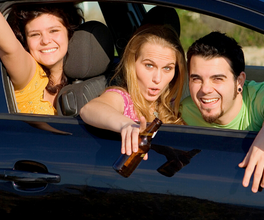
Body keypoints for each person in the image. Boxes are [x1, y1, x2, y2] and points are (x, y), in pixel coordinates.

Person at [181, 31, 264, 193]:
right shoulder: (183, 111)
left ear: (239, 81)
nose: (205, 89)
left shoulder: (262, 93)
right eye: (196, 79)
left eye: (217, 79)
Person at [80, 24, 186, 157]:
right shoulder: (123, 98)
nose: (158, 79)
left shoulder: (168, 104)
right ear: (132, 63)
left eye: (167, 68)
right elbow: (90, 109)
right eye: (149, 65)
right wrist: (127, 125)